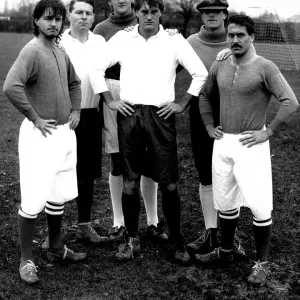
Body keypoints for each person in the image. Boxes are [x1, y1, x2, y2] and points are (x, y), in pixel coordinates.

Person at [89, 0, 208, 263]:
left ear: (161, 14)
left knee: (168, 181)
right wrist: (110, 100)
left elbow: (200, 73)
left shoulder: (173, 41)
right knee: (130, 180)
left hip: (160, 116)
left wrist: (182, 104)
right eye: (144, 11)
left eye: (154, 12)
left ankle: (177, 241)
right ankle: (132, 239)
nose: (149, 16)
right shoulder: (123, 38)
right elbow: (95, 69)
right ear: (137, 13)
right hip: (130, 115)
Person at [198, 14, 298, 286]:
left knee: (258, 204)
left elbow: (291, 101)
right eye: (231, 35)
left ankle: (262, 263)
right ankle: (227, 250)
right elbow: (205, 95)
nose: (235, 40)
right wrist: (209, 126)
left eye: (241, 35)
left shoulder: (265, 66)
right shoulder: (220, 65)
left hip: (250, 144)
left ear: (252, 37)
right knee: (225, 200)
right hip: (223, 142)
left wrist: (268, 131)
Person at [3, 0, 87, 285]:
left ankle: (53, 247)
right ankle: (26, 259)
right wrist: (35, 117)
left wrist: (76, 110)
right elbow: (11, 86)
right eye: (48, 19)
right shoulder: (32, 50)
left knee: (58, 194)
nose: (54, 24)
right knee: (33, 199)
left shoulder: (60, 51)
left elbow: (75, 83)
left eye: (59, 19)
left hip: (64, 133)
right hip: (41, 135)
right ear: (36, 21)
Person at [93, 0, 168, 242]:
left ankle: (153, 221)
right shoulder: (101, 30)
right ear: (110, 1)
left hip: (147, 95)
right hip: (115, 93)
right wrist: (106, 98)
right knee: (118, 159)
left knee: (147, 160)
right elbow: (94, 65)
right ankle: (118, 221)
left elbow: (171, 59)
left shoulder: (149, 24)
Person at [186, 0, 245, 257]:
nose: (210, 16)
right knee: (205, 174)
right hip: (201, 117)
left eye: (216, 12)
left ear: (224, 14)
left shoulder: (235, 40)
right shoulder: (190, 42)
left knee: (232, 175)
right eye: (206, 12)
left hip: (234, 117)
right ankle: (210, 232)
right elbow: (169, 68)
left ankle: (231, 238)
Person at [59, 0, 109, 243]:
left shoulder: (99, 42)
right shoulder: (58, 41)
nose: (84, 17)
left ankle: (84, 226)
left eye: (89, 13)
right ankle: (53, 232)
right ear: (69, 15)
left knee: (86, 174)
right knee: (58, 172)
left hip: (90, 114)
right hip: (62, 116)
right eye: (79, 12)